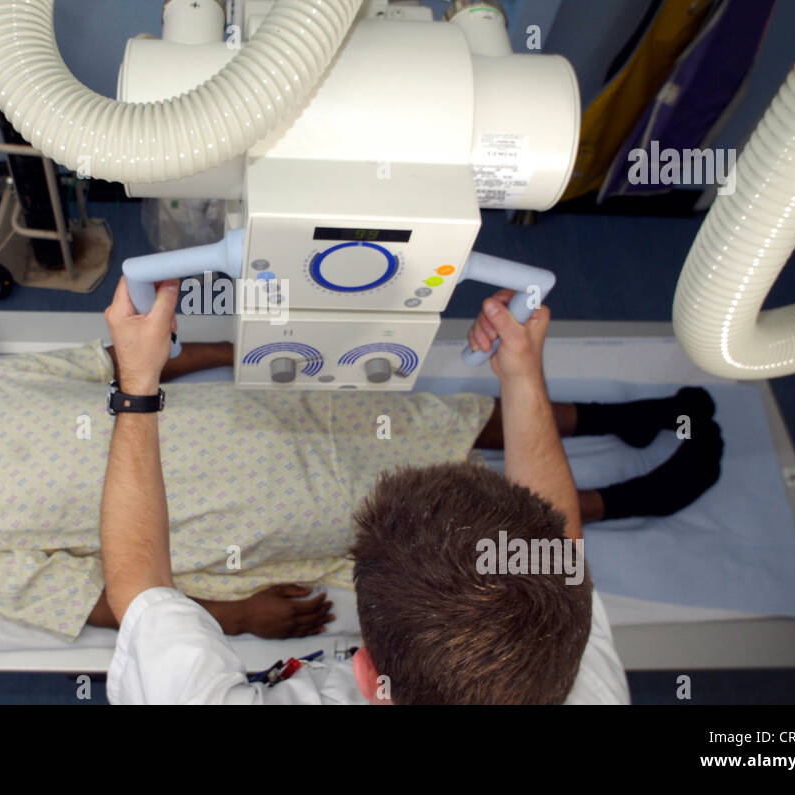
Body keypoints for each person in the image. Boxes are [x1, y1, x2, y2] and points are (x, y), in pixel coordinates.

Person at [0, 303, 721, 644]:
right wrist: (238, 618)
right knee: (437, 515)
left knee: (434, 419)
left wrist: (238, 351)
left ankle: (618, 416)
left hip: (263, 411)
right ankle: (636, 495)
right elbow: (100, 600)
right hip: (252, 512)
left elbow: (134, 358)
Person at [100, 280, 638, 704]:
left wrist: (136, 386)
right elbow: (557, 552)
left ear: (363, 670)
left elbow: (142, 594)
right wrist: (521, 375)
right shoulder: (565, 660)